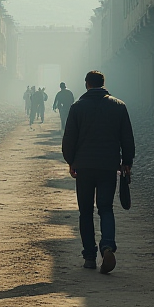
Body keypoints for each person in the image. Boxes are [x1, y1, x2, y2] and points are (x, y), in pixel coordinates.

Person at [62, 69, 135, 274]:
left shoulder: (77, 107)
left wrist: (71, 161)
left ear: (87, 84)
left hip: (84, 167)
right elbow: (127, 138)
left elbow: (69, 139)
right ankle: (107, 246)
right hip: (108, 166)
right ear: (104, 84)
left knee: (85, 211)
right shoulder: (119, 106)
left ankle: (89, 257)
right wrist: (126, 161)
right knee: (105, 208)